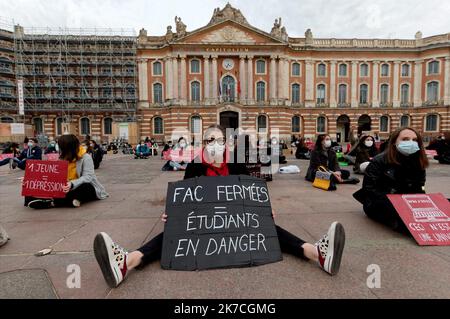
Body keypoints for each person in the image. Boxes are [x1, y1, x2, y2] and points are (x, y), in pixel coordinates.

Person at [93, 125, 346, 288]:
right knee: (171, 235)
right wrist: (172, 214)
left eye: (220, 139)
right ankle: (127, 262)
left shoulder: (235, 165)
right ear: (204, 144)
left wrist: (262, 211)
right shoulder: (194, 165)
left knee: (270, 229)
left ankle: (318, 254)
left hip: (235, 223)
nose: (216, 144)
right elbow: (185, 197)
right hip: (203, 225)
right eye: (210, 140)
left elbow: (249, 193)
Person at [353, 127, 430, 233]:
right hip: (379, 202)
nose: (411, 143)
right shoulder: (379, 161)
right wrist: (396, 202)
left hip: (406, 201)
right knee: (402, 216)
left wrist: (424, 204)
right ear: (394, 142)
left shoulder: (419, 162)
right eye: (405, 139)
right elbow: (368, 190)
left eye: (415, 140)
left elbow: (420, 187)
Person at [25, 134, 108, 209]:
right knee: (30, 190)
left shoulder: (85, 157)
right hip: (65, 186)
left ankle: (51, 202)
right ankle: (69, 201)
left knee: (85, 187)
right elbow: (52, 174)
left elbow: (88, 177)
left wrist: (72, 184)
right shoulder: (61, 158)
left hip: (80, 185)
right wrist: (31, 178)